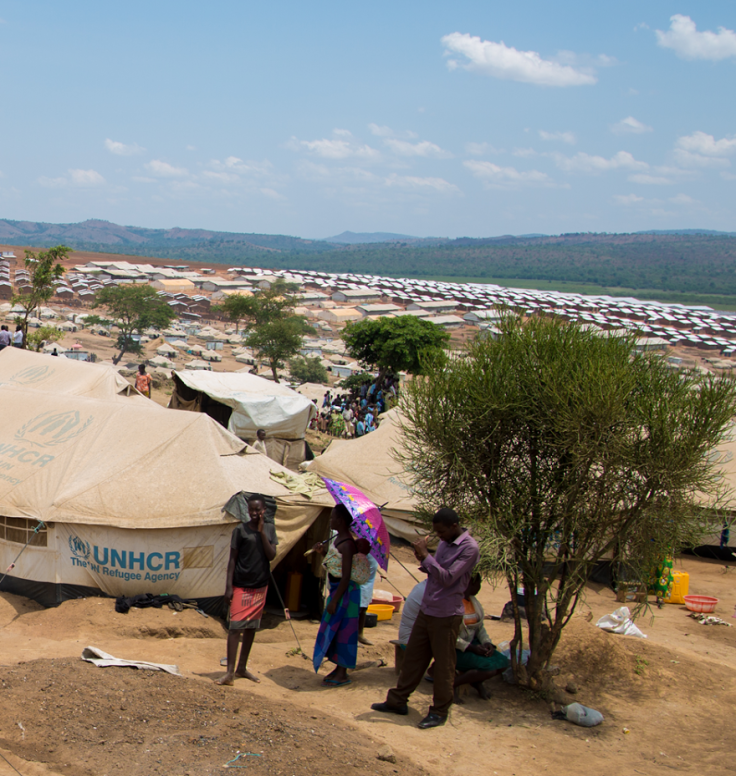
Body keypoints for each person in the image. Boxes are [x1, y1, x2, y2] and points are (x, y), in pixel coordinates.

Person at [371, 507, 479, 729]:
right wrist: (423, 558)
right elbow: (435, 571)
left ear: (454, 527)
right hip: (428, 609)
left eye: (441, 532)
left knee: (444, 666)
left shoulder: (469, 548)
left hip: (446, 615)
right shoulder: (445, 543)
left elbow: (448, 578)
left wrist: (427, 557)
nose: (438, 536)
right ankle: (397, 701)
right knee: (413, 658)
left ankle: (439, 711)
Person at [216, 494, 278, 686]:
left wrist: (261, 532)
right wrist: (228, 587)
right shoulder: (240, 531)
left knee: (252, 627)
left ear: (264, 511)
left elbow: (271, 555)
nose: (254, 513)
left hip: (260, 586)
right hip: (241, 585)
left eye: (257, 510)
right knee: (235, 628)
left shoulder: (269, 529)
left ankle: (242, 668)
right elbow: (232, 560)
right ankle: (229, 673)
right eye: (251, 510)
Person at [312, 505, 370, 687]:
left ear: (342, 521)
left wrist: (335, 601)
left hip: (346, 594)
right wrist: (323, 553)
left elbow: (345, 576)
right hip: (337, 590)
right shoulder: (339, 540)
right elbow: (335, 566)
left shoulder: (347, 545)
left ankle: (342, 672)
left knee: (345, 630)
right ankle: (338, 668)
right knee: (335, 629)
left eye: (333, 518)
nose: (331, 521)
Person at [453, 575, 509, 700]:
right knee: (488, 669)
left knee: (503, 663)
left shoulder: (473, 601)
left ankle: (476, 681)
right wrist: (471, 648)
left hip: (473, 644)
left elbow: (480, 628)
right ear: (469, 584)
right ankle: (452, 685)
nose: (479, 586)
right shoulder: (453, 604)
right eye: (478, 583)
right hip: (456, 649)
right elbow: (449, 636)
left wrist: (487, 643)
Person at [357, 540, 379, 646]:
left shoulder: (375, 548)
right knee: (358, 610)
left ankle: (360, 634)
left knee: (363, 609)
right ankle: (354, 636)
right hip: (361, 582)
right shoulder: (361, 551)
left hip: (369, 582)